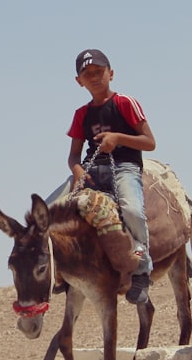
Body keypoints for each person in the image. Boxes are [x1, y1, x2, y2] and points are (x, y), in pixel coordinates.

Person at [48, 49, 156, 304]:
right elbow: (73, 156)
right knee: (47, 213)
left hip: (124, 167)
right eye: (88, 74)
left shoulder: (125, 103)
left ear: (111, 73)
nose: (95, 78)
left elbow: (150, 142)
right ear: (79, 81)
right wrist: (78, 172)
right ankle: (60, 271)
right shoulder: (81, 114)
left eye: (99, 72)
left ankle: (142, 270)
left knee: (132, 211)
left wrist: (117, 138)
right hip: (92, 170)